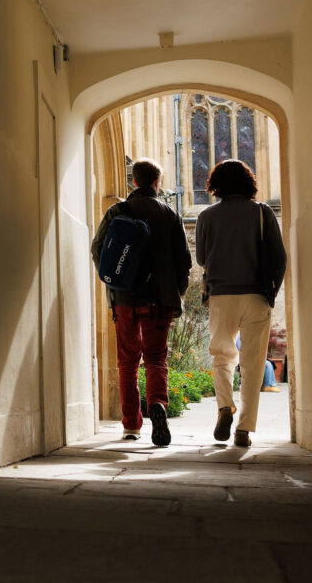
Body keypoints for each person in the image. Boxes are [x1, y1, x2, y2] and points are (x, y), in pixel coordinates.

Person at [91, 159, 192, 446]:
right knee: (156, 359)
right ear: (157, 182)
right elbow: (183, 261)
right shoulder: (169, 214)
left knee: (127, 363)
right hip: (159, 300)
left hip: (124, 299)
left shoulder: (117, 211)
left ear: (134, 181)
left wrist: (114, 282)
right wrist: (177, 294)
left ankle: (131, 426)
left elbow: (98, 249)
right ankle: (158, 404)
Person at [195, 159, 287, 447]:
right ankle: (244, 429)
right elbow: (279, 257)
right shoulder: (262, 213)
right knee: (253, 364)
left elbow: (200, 259)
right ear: (249, 183)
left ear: (216, 184)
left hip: (221, 295)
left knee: (222, 357)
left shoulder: (207, 216)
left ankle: (224, 407)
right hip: (256, 295)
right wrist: (271, 293)